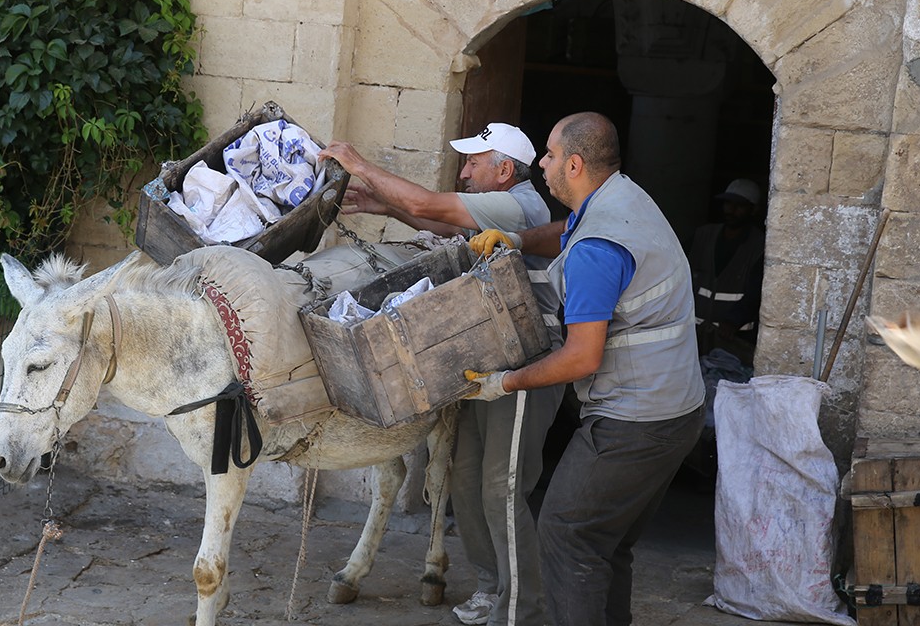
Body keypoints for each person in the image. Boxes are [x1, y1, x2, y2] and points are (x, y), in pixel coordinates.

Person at [463, 112, 705, 626]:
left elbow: (581, 357)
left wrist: (503, 382)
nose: (542, 165)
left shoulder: (598, 252)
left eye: (549, 156)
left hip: (635, 422)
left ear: (573, 164)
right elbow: (568, 230)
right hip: (677, 410)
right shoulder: (620, 198)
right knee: (604, 544)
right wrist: (519, 241)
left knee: (567, 532)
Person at [321, 122, 562, 626]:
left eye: (475, 162)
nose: (465, 170)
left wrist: (361, 166)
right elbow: (450, 229)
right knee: (467, 476)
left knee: (503, 484)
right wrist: (384, 207)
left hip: (530, 360)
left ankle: (522, 605)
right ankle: (490, 586)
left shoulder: (518, 204)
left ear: (503, 170)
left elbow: (433, 207)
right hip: (490, 357)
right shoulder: (497, 207)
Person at [689, 178, 765, 365]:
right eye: (727, 203)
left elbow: (757, 291)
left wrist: (733, 320)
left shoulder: (760, 246)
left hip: (734, 338)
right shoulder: (703, 235)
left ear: (753, 210)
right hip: (695, 332)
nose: (730, 210)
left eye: (739, 206)